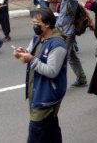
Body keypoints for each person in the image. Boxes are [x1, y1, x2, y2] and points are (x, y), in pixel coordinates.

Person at [13, 9, 67, 143]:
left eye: (37, 23)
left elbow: (52, 71)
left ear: (47, 24)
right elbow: (31, 55)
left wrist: (30, 59)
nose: (34, 26)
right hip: (37, 89)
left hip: (48, 93)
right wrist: (21, 53)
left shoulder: (57, 44)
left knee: (36, 130)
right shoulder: (38, 38)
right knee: (50, 126)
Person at [50, 0, 87, 88]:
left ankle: (57, 82)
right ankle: (81, 78)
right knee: (72, 57)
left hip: (68, 33)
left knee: (62, 58)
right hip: (60, 30)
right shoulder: (64, 0)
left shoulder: (73, 1)